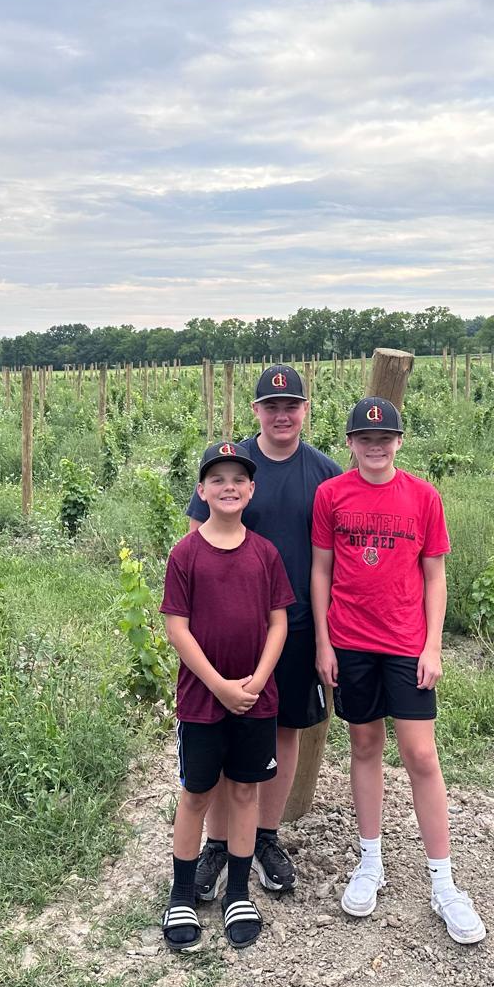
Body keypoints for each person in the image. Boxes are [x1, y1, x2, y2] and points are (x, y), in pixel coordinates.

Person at [310, 396, 487, 945]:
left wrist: (432, 646)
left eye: (385, 437)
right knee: (364, 747)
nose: (375, 445)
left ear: (400, 442)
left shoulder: (423, 497)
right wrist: (323, 642)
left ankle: (444, 882)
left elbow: (435, 577)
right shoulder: (331, 495)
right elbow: (321, 572)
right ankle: (371, 862)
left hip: (407, 646)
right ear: (350, 444)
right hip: (351, 643)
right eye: (365, 438)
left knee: (420, 755)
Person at [186, 364, 342, 900]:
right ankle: (216, 843)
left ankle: (266, 837)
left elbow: (336, 561)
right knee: (223, 732)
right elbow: (195, 547)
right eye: (271, 406)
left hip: (293, 629)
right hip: (229, 634)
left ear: (305, 410)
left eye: (291, 405)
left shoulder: (325, 473)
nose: (282, 414)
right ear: (256, 412)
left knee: (284, 731)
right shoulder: (233, 467)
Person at [160, 441, 294, 951]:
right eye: (217, 479)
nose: (229, 487)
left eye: (238, 479)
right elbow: (178, 627)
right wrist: (218, 684)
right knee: (196, 794)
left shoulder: (265, 554)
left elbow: (279, 621)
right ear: (202, 491)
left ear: (251, 490)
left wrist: (258, 680)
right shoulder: (185, 554)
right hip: (201, 699)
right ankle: (181, 894)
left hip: (257, 699)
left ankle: (239, 891)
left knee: (244, 792)